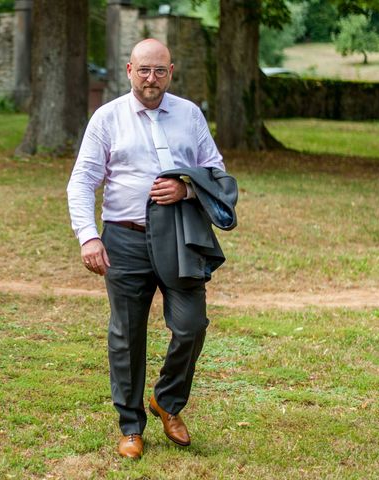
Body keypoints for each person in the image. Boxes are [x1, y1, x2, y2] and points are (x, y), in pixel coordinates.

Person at [67, 38, 229, 459]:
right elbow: (83, 180)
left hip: (180, 236)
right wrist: (88, 235)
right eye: (143, 70)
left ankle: (167, 402)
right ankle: (131, 426)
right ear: (129, 70)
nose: (151, 79)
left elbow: (216, 171)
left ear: (170, 72)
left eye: (159, 71)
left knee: (192, 325)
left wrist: (187, 188)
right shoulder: (107, 118)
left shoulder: (190, 115)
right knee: (126, 334)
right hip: (124, 237)